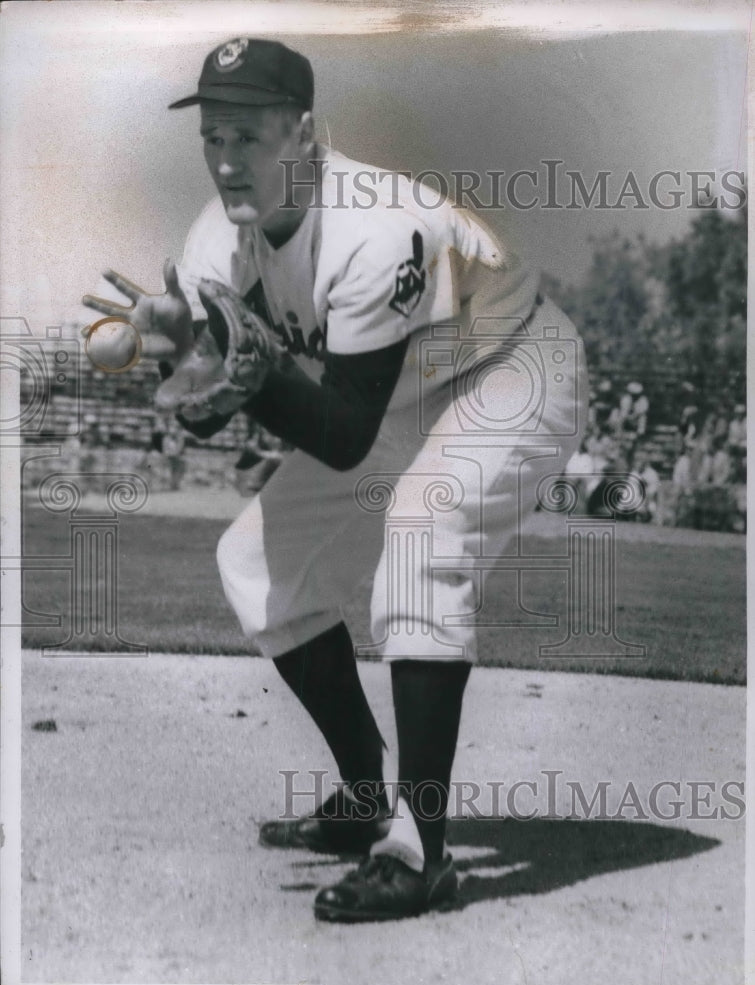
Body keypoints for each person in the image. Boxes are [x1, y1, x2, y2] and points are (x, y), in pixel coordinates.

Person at [83, 37, 587, 922]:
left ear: (306, 133)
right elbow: (213, 411)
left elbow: (347, 435)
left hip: (512, 370)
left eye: (248, 136)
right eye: (212, 138)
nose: (227, 160)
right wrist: (186, 358)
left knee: (425, 533)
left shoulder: (370, 225)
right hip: (410, 392)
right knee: (254, 564)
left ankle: (419, 850)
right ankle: (364, 797)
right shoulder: (215, 245)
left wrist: (239, 369)